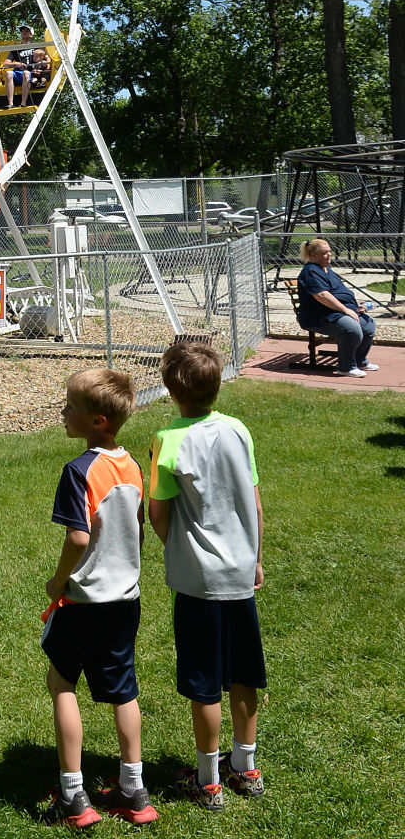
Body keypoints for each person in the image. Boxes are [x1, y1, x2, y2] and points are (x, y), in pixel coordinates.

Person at [148, 340, 266, 810]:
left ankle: (208, 778)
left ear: (170, 389)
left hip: (198, 582)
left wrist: (178, 549)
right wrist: (255, 557)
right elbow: (254, 502)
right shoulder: (239, 430)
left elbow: (157, 513)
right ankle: (247, 766)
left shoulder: (168, 439)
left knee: (203, 679)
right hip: (240, 572)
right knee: (243, 673)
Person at [39, 368, 157, 828]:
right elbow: (138, 529)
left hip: (84, 601)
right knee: (123, 691)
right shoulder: (131, 467)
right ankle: (134, 788)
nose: (63, 412)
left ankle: (73, 794)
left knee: (61, 683)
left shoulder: (79, 471)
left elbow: (77, 538)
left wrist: (57, 581)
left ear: (98, 421)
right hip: (125, 601)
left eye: (71, 407)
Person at [296, 238, 378, 378]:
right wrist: (346, 310)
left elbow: (339, 293)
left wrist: (356, 306)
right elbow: (322, 295)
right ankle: (346, 367)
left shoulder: (327, 270)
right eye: (324, 253)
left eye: (329, 252)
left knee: (368, 325)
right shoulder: (310, 272)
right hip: (320, 317)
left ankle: (359, 361)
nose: (329, 255)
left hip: (336, 312)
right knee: (351, 329)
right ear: (313, 256)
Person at [4, 25, 36, 108]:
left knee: (26, 73)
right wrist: (16, 64)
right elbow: (5, 64)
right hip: (18, 74)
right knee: (9, 73)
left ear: (32, 34)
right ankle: (10, 103)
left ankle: (23, 103)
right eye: (23, 31)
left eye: (27, 31)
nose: (24, 32)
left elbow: (45, 57)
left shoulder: (37, 46)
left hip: (31, 74)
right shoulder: (16, 48)